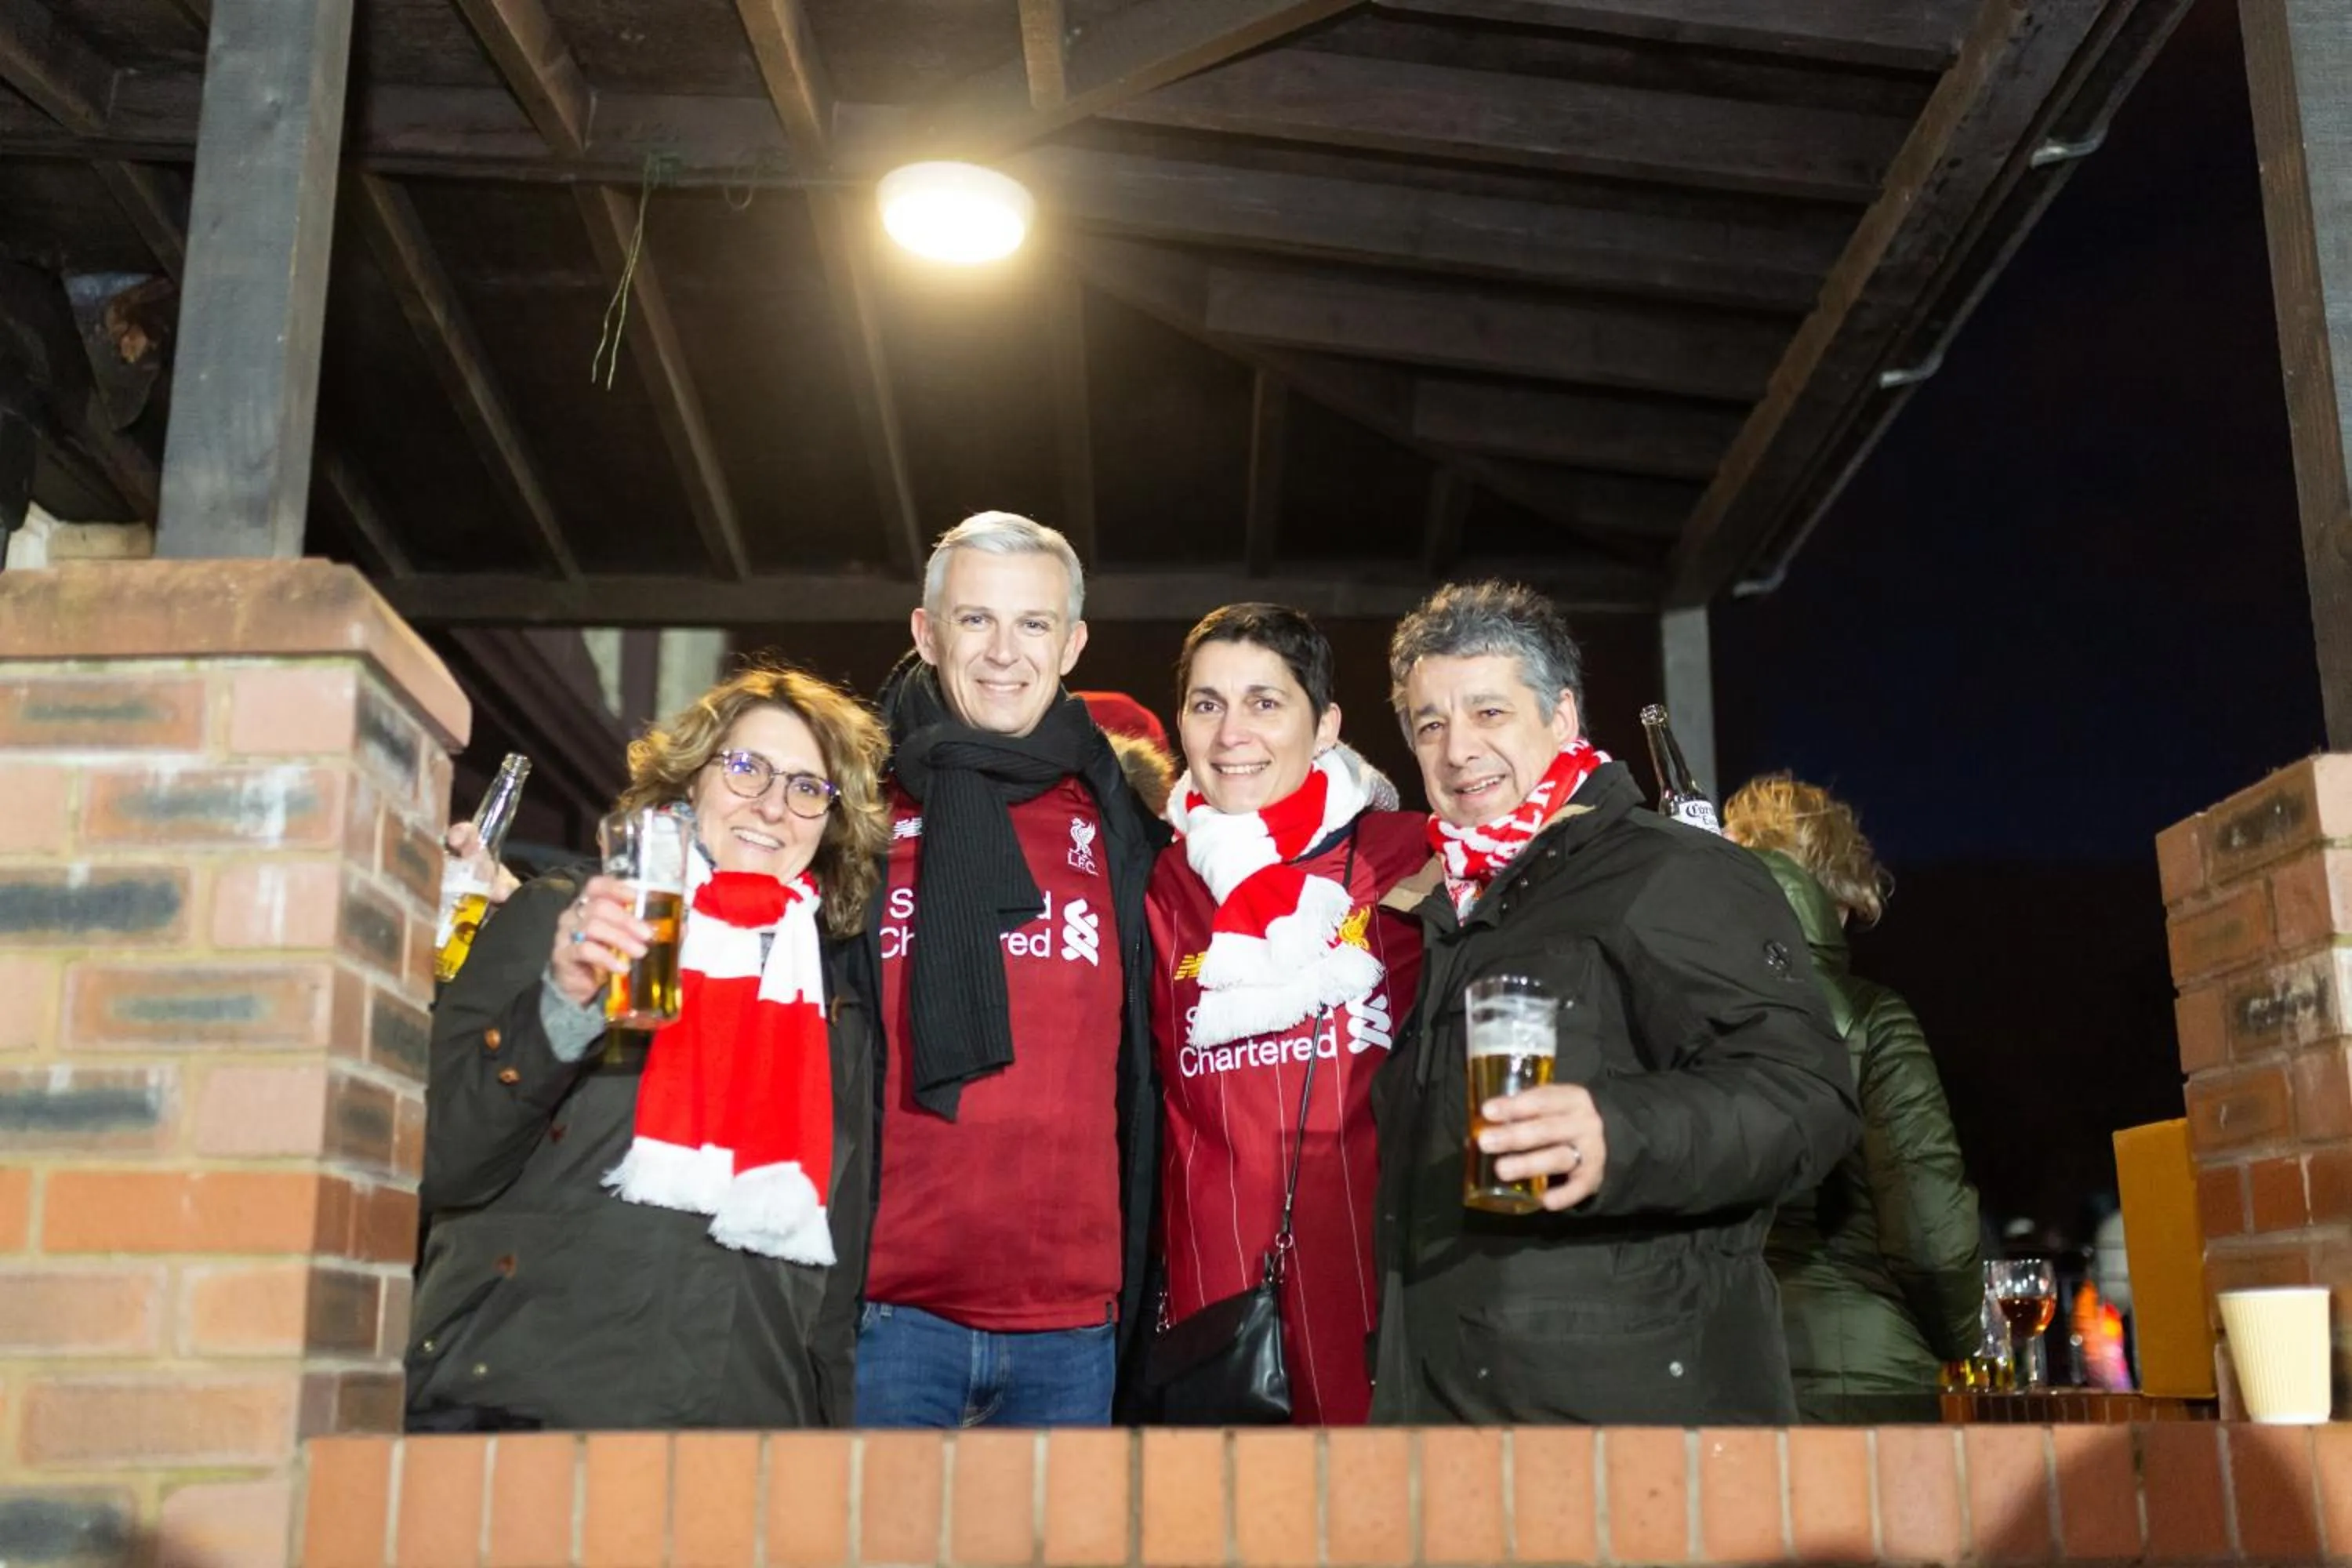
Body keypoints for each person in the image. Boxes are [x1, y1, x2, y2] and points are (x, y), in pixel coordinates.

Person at [1369, 580, 1857, 1425]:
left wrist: (1618, 1133)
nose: (1457, 752)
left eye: (1489, 713)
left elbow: (1807, 1094)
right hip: (1463, 1406)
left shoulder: (1672, 870)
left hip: (1624, 1411)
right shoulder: (1449, 907)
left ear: (1562, 718)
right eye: (1431, 724)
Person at [409, 664, 891, 1429]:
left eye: (807, 788)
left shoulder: (836, 1019)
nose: (773, 803)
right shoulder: (563, 920)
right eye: (746, 767)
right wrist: (562, 1005)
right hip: (532, 1414)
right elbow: (438, 1159)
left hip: (746, 1434)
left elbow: (830, 1299)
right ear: (686, 781)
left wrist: (824, 1448)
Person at [856, 512, 1167, 1427]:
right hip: (886, 1311)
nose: (1003, 652)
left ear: (1070, 644)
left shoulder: (1121, 822)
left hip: (1070, 1325)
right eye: (975, 619)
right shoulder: (855, 807)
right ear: (926, 632)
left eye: (1032, 624)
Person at [1146, 604, 1428, 1424]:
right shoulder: (1158, 882)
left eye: (1266, 702)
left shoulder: (1411, 856)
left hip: (1381, 1309)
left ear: (1328, 723)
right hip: (1217, 1318)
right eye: (1207, 704)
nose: (1233, 732)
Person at [1723, 772, 1983, 1423]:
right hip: (1865, 1376)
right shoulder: (1872, 1018)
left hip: (1725, 1366)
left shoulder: (1688, 1006)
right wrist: (1960, 1342)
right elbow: (1930, 1233)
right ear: (1835, 895)